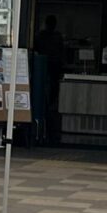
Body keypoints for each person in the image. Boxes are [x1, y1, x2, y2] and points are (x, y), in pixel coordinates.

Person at [30, 16, 68, 146]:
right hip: (55, 66)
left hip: (42, 68)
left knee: (44, 92)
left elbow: (34, 49)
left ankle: (48, 107)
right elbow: (62, 51)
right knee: (53, 89)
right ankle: (51, 106)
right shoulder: (57, 37)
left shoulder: (40, 36)